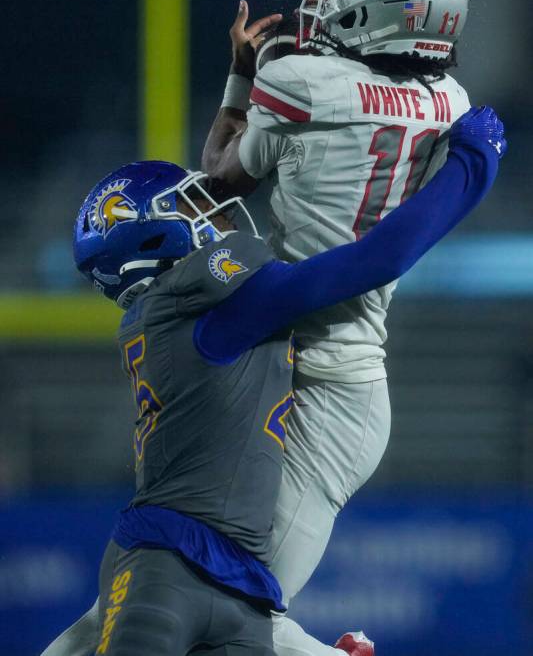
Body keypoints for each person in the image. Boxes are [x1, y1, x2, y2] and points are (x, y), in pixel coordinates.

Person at [39, 100, 504, 656]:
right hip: (169, 562)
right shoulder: (206, 305)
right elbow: (379, 257)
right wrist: (473, 164)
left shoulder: (181, 308)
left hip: (238, 587)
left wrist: (240, 90)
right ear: (151, 239)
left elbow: (229, 182)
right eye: (192, 207)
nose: (221, 214)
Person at [202, 0, 490, 655]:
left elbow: (218, 178)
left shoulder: (297, 84)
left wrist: (242, 73)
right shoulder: (452, 102)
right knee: (160, 595)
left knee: (233, 618)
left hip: (318, 390)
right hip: (308, 373)